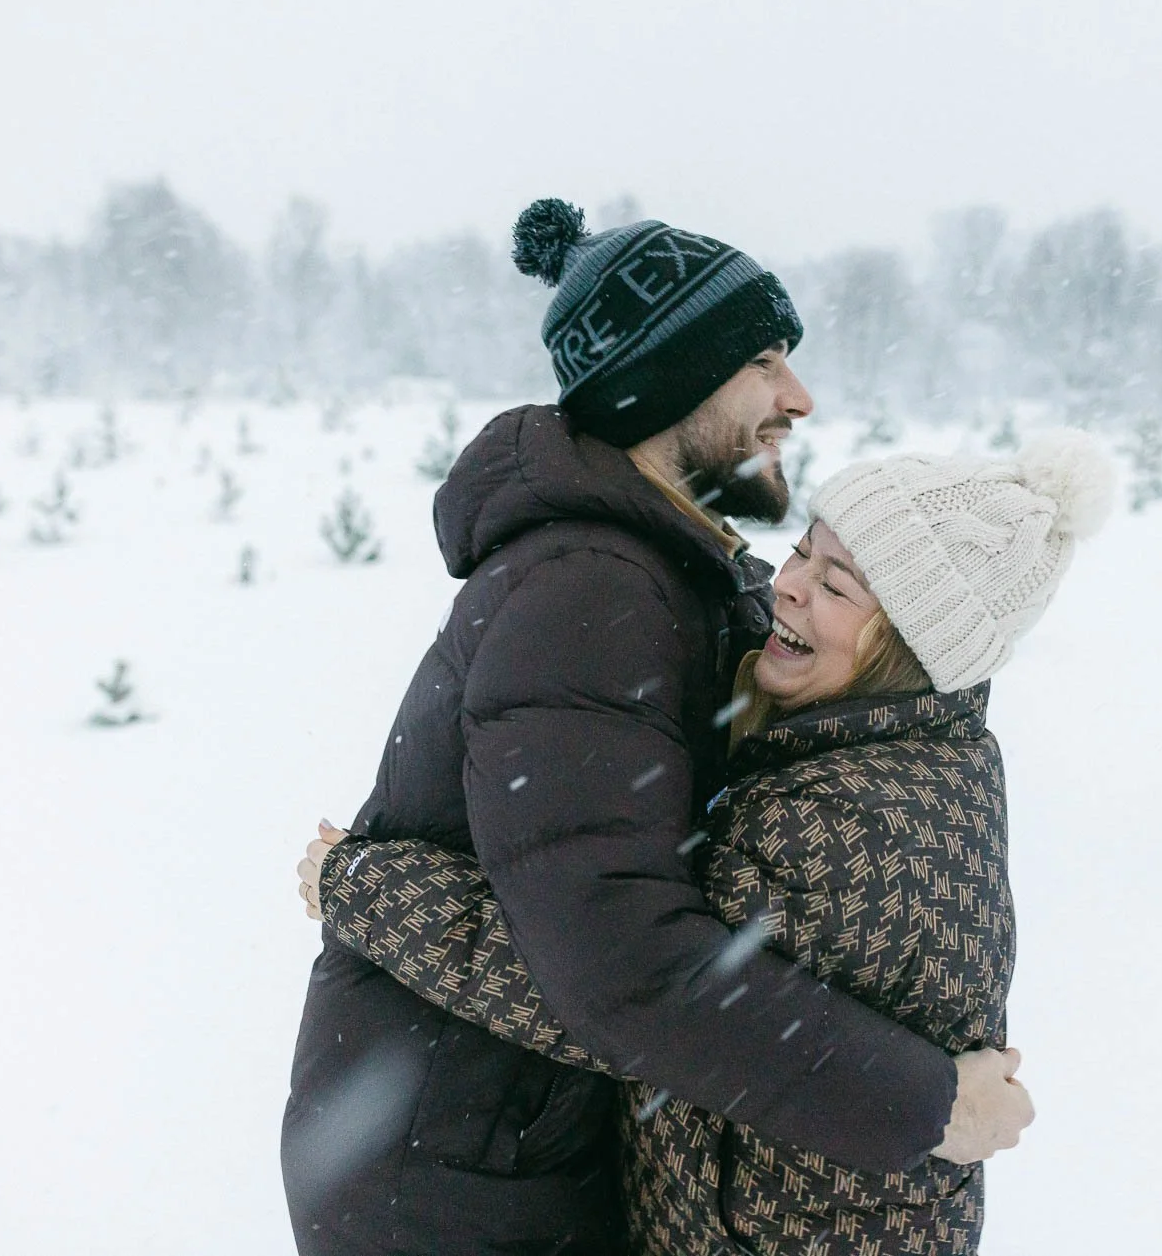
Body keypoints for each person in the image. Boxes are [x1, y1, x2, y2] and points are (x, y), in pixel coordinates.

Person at [280, 199, 1034, 1255]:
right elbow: (623, 969)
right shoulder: (592, 593)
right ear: (673, 380)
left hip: (517, 1139)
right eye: (766, 362)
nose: (799, 398)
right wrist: (924, 1103)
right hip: (460, 1171)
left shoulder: (679, 576)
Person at [301, 434, 1114, 1253]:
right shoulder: (922, 750)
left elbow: (619, 991)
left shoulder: (843, 822)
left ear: (913, 650)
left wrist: (373, 889)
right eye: (801, 549)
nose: (789, 588)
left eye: (835, 584)